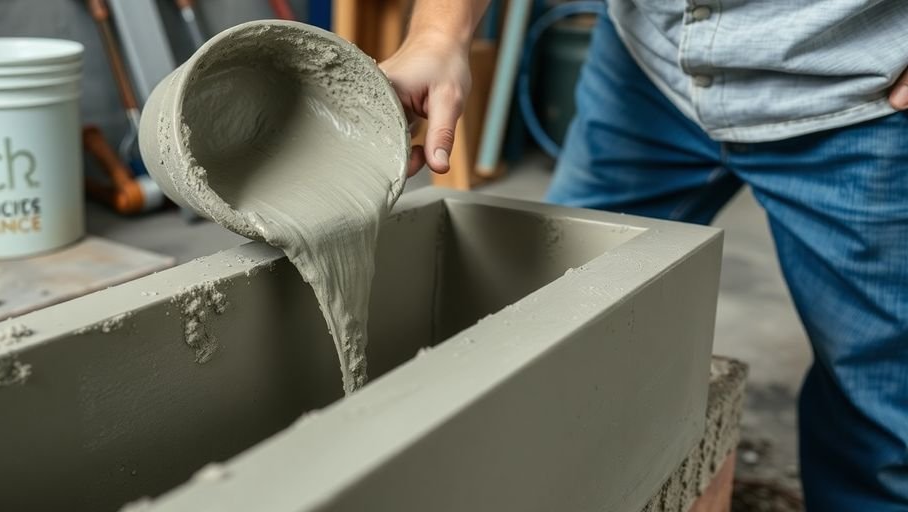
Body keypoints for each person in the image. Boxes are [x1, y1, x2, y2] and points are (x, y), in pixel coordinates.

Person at [379, 1, 908, 510]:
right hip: (650, 71)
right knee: (551, 313)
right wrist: (439, 33)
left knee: (878, 416)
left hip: (854, 92)